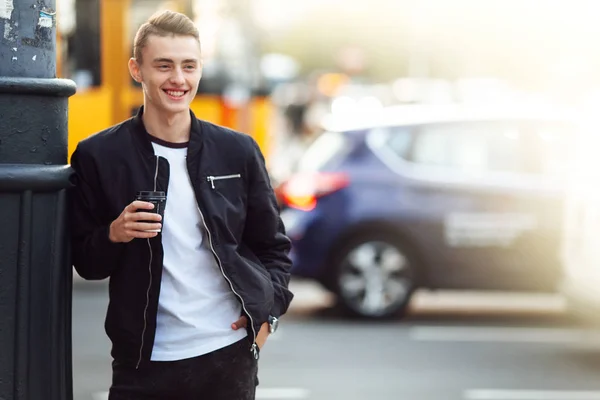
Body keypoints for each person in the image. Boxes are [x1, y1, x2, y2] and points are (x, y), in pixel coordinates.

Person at [69, 9, 293, 400]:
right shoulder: (98, 155)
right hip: (142, 363)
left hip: (228, 357)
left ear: (200, 69)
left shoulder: (237, 151)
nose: (178, 79)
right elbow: (87, 264)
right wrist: (114, 233)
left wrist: (267, 314)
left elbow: (273, 248)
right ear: (137, 70)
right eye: (164, 65)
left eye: (189, 66)